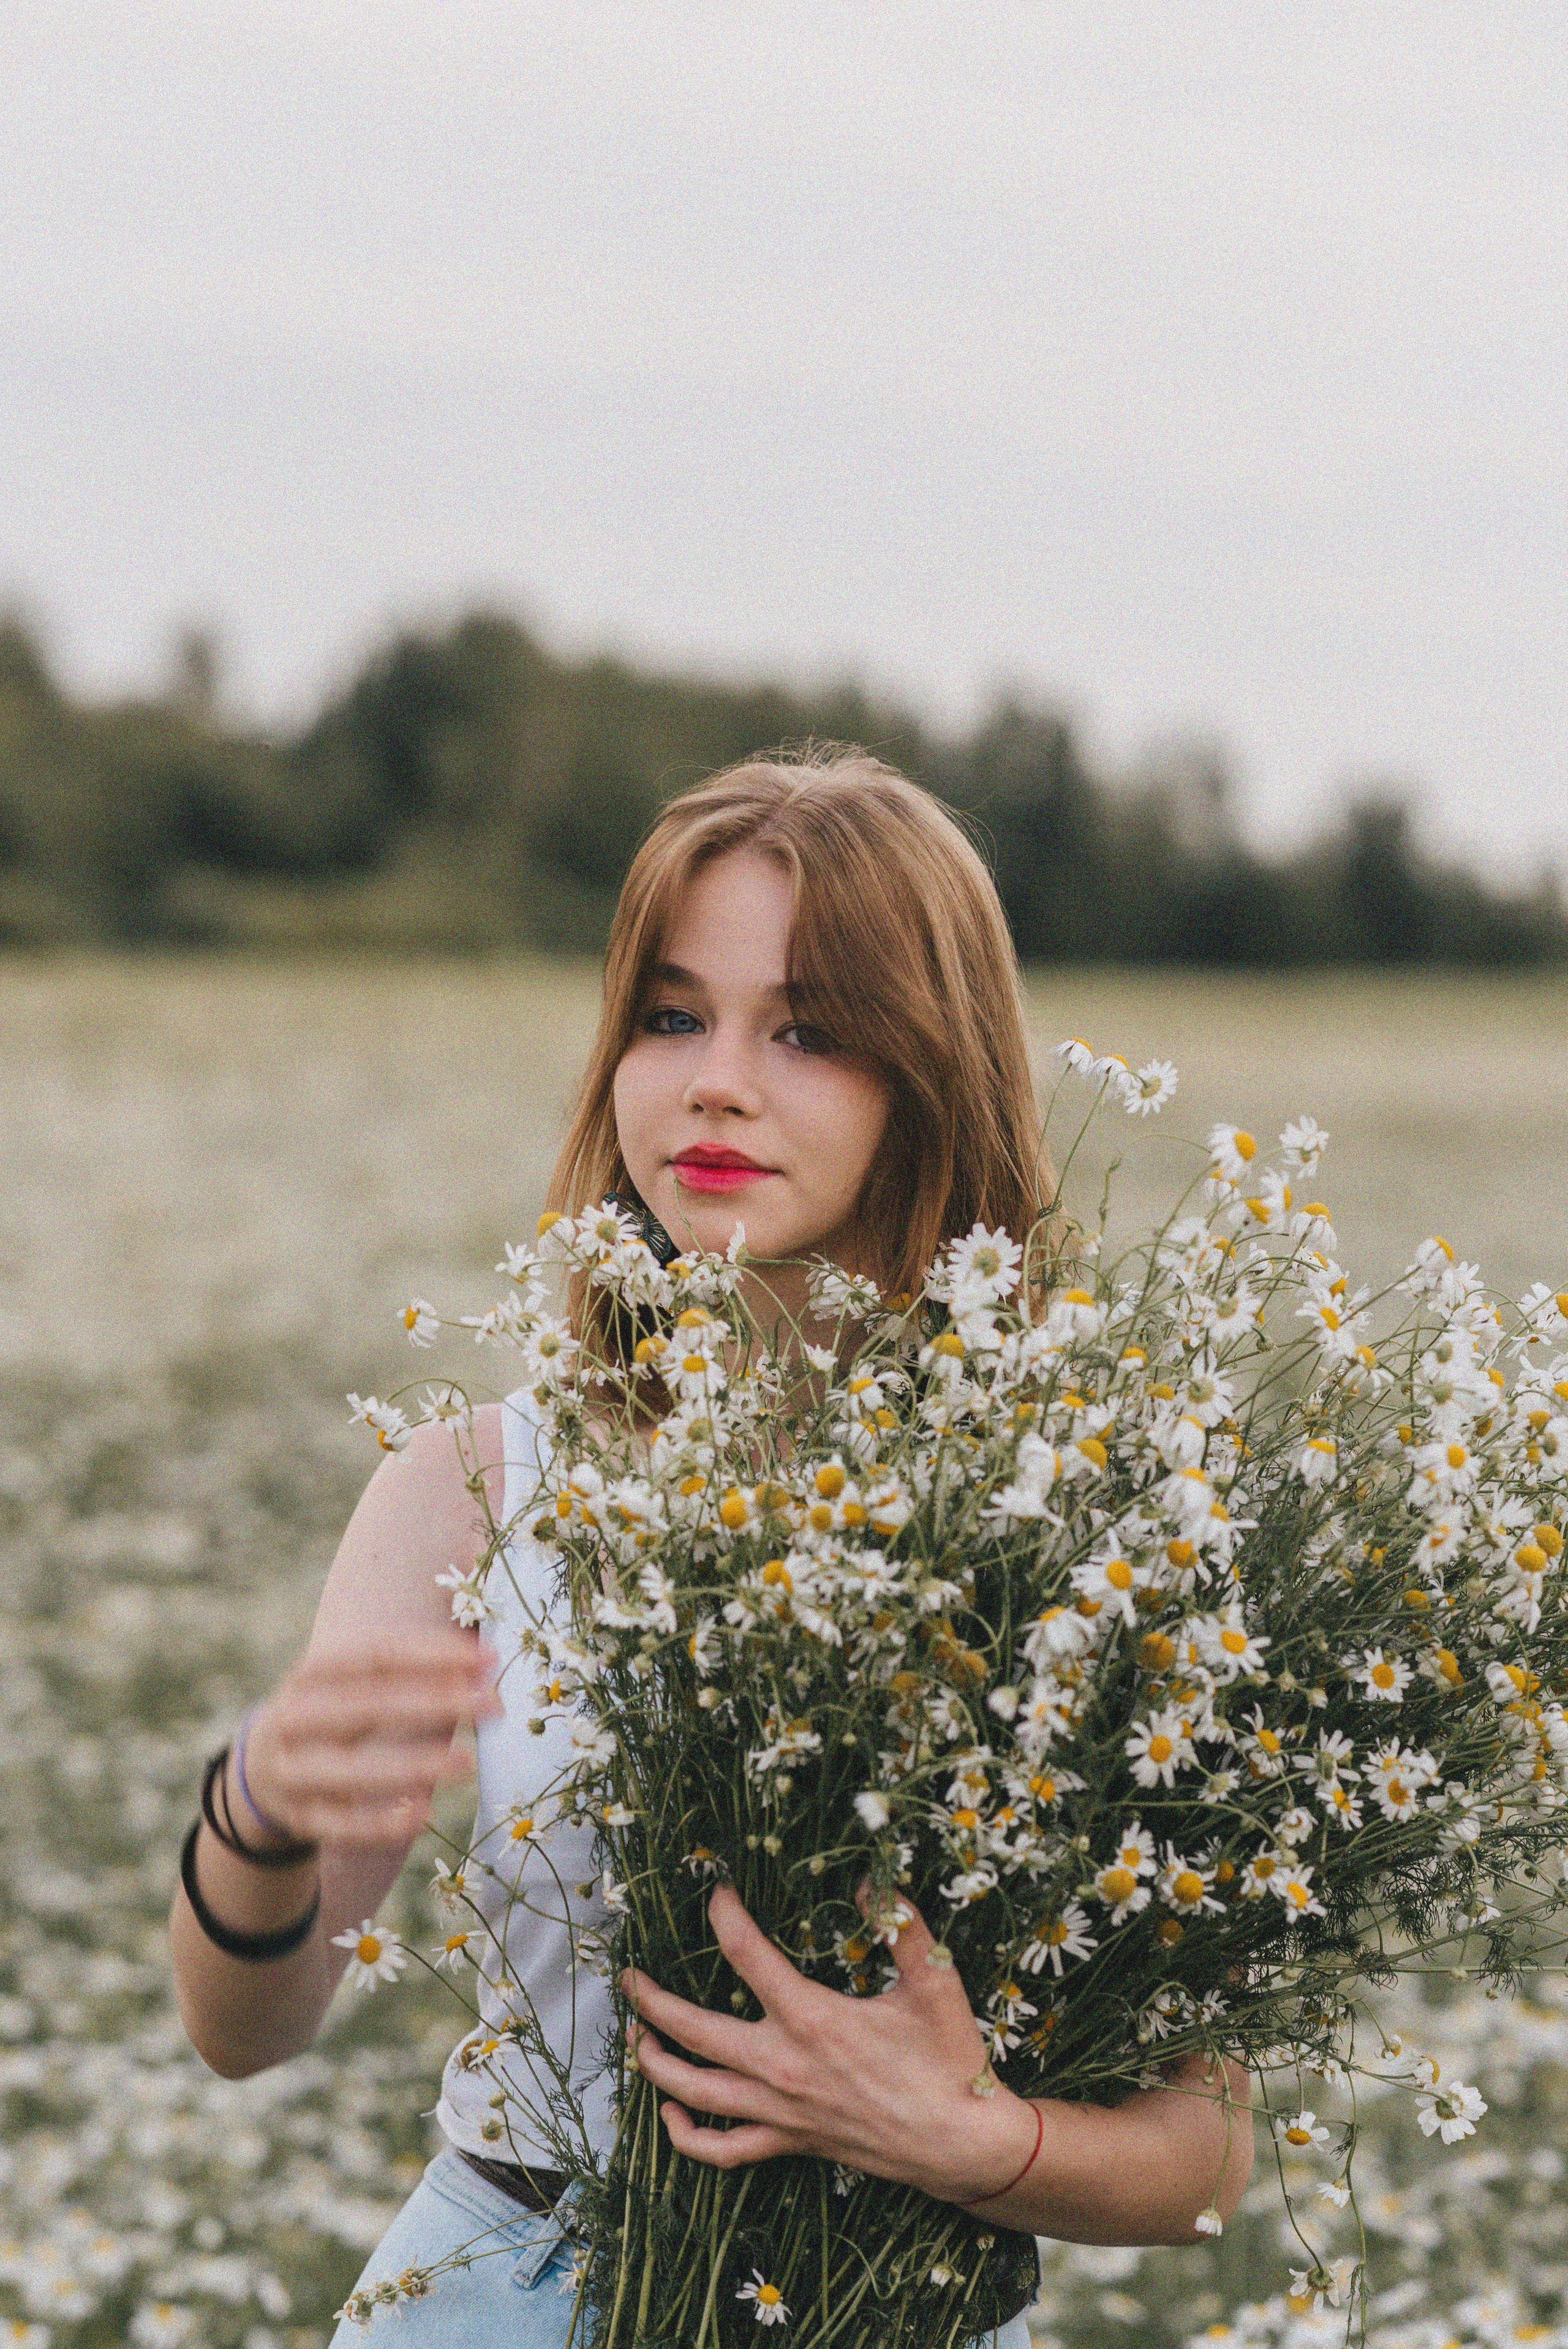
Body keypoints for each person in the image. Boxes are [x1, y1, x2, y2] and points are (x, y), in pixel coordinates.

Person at [170, 746, 1255, 2345]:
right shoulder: (472, 1488)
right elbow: (246, 2034)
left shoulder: (1089, 1530)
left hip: (909, 2303)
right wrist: (257, 1805)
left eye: (808, 1028)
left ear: (933, 1073)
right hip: (501, 2289)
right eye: (671, 1015)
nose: (716, 1079)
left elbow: (1212, 2152)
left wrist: (968, 2138)